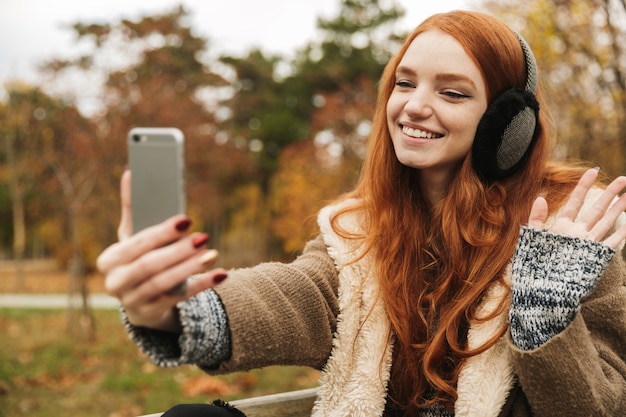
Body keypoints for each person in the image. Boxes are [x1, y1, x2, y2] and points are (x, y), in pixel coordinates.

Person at [97, 10, 626, 417]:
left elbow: (603, 405)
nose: (414, 105)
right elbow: (293, 295)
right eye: (404, 82)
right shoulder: (360, 230)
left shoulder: (574, 234)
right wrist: (174, 306)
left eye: (451, 92)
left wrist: (546, 305)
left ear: (508, 124)